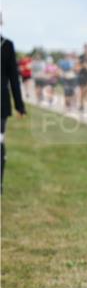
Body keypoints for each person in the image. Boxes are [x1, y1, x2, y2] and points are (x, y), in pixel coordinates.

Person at [2, 26, 27, 193]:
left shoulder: (7, 45)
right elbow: (14, 78)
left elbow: (13, 78)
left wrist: (19, 105)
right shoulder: (7, 45)